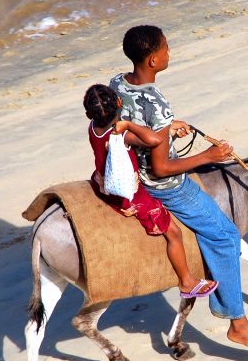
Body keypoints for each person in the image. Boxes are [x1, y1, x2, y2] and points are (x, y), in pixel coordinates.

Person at [109, 25, 248, 352]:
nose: (170, 53)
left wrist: (167, 129)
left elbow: (130, 125)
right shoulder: (156, 102)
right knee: (226, 234)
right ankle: (237, 323)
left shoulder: (118, 82)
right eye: (167, 49)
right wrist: (207, 156)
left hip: (130, 169)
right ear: (155, 60)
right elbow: (161, 168)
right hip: (162, 185)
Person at [83, 84, 218, 299]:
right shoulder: (122, 134)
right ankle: (186, 281)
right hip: (127, 194)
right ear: (119, 103)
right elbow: (154, 140)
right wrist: (128, 124)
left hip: (102, 180)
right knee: (174, 233)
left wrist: (170, 126)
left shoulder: (93, 127)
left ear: (89, 113)